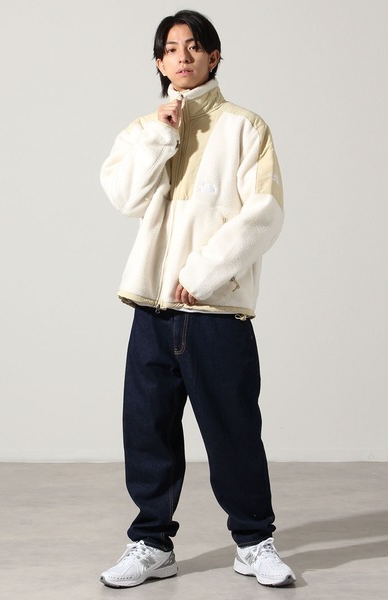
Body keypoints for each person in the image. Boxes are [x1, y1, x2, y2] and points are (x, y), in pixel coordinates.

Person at [99, 9, 295, 589]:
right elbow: (125, 198)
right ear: (159, 63)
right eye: (170, 49)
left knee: (233, 429)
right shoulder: (143, 130)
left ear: (214, 55)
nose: (181, 57)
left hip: (215, 310)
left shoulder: (246, 128)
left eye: (193, 46)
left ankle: (254, 542)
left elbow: (265, 213)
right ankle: (151, 544)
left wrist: (204, 273)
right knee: (149, 431)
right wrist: (161, 134)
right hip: (152, 309)